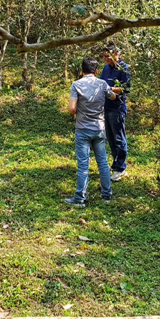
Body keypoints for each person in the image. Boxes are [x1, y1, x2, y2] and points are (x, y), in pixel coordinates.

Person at [64, 56, 120, 208]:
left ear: (82, 70)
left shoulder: (76, 85)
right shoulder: (102, 84)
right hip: (99, 128)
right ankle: (107, 195)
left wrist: (78, 111)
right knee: (102, 162)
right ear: (96, 71)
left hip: (83, 129)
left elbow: (71, 109)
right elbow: (113, 96)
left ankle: (80, 198)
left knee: (83, 164)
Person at [99, 42, 131, 181]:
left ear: (116, 54)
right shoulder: (106, 68)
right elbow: (101, 83)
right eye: (104, 56)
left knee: (119, 138)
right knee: (110, 138)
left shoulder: (123, 68)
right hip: (106, 107)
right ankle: (116, 163)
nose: (106, 59)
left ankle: (121, 168)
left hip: (117, 108)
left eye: (108, 56)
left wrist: (110, 89)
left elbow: (126, 88)